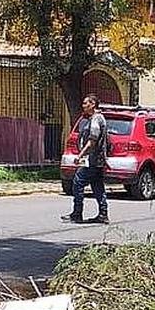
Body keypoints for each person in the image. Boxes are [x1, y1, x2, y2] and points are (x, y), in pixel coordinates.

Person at [62, 94, 109, 224]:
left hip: (91, 159)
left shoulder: (96, 119)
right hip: (96, 159)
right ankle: (103, 213)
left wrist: (80, 155)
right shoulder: (94, 118)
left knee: (78, 182)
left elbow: (92, 140)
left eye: (85, 103)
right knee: (97, 185)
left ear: (93, 104)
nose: (83, 106)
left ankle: (77, 213)